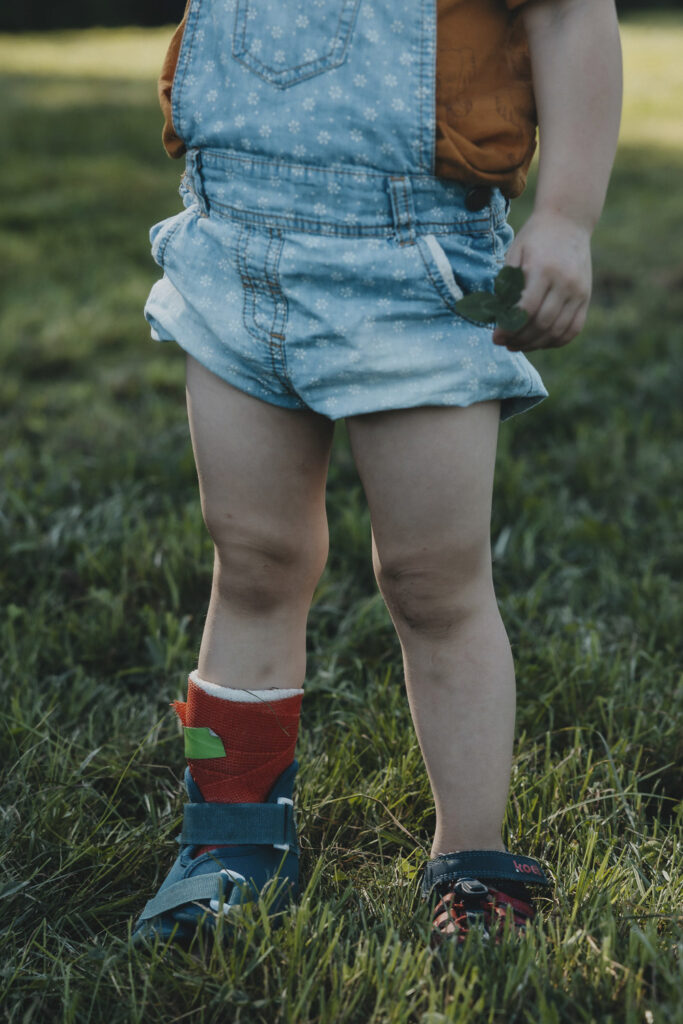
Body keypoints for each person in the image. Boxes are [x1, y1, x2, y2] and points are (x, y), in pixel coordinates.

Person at [132, 0, 623, 947]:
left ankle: (474, 863)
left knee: (431, 578)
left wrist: (564, 216)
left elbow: (569, 13)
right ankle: (227, 843)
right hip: (234, 250)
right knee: (255, 560)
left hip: (415, 268)